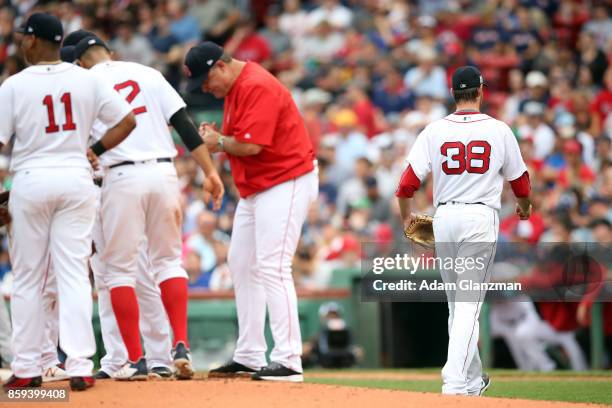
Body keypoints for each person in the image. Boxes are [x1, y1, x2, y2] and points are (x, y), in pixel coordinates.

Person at [71, 34, 223, 380]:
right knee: (169, 262)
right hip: (165, 174)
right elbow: (184, 124)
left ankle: (137, 360)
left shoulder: (83, 81)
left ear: (80, 62)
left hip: (121, 176)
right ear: (111, 52)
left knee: (120, 271)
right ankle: (180, 344)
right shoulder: (149, 73)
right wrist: (210, 171)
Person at [0, 13, 136, 391]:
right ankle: (79, 365)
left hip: (31, 179)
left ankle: (27, 367)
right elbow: (127, 121)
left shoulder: (13, 85)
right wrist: (94, 150)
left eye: (23, 37)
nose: (20, 43)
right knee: (74, 274)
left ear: (31, 41)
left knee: (28, 277)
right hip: (76, 179)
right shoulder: (85, 79)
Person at [184, 41, 318, 382]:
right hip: (258, 187)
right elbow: (239, 141)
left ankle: (289, 359)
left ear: (221, 67)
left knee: (273, 266)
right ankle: (250, 354)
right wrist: (219, 139)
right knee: (241, 263)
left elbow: (252, 146)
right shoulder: (234, 88)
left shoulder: (257, 85)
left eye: (205, 79)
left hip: (286, 181)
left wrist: (219, 142)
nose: (204, 88)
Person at [395, 66, 532, 395]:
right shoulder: (498, 129)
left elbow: (405, 186)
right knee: (468, 306)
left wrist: (406, 219)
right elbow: (521, 183)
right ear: (481, 91)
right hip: (478, 219)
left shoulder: (433, 130)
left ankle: (472, 380)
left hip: (445, 219)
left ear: (453, 93)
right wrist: (525, 208)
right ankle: (454, 383)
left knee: (458, 306)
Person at [61, 30, 177, 381]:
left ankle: (157, 356)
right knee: (108, 276)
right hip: (104, 186)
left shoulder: (91, 84)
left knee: (134, 274)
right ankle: (119, 358)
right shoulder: (94, 86)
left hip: (117, 184)